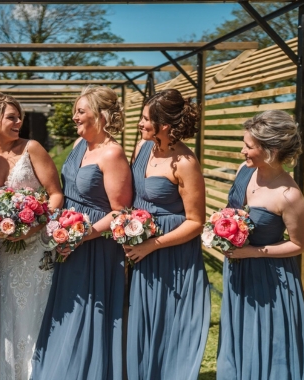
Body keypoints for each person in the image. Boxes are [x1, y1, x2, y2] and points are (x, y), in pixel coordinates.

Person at [31, 86, 132, 380]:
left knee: (89, 313)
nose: (75, 116)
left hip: (96, 246)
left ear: (101, 116)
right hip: (69, 242)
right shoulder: (79, 144)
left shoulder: (112, 153)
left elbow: (120, 211)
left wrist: (79, 235)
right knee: (66, 309)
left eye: (81, 111)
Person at [0, 90, 64, 380]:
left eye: (18, 116)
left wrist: (34, 226)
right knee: (8, 313)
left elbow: (56, 194)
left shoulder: (31, 148)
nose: (19, 121)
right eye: (11, 116)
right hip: (7, 252)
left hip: (40, 248)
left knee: (39, 309)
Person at [216, 110, 304, 380]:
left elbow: (298, 244)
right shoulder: (244, 173)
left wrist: (252, 252)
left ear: (270, 150)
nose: (242, 151)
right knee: (239, 334)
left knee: (267, 341)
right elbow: (231, 212)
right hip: (238, 270)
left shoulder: (289, 195)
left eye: (249, 146)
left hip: (268, 278)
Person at [124, 89, 210, 380]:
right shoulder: (141, 148)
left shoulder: (185, 163)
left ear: (164, 125)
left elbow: (196, 222)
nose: (141, 123)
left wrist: (153, 244)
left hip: (171, 254)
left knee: (169, 322)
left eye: (146, 119)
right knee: (142, 320)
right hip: (139, 248)